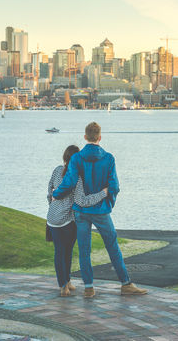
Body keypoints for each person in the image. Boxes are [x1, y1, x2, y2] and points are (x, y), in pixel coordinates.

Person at [52, 122, 147, 298]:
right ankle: (125, 283)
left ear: (85, 137)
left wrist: (55, 194)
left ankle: (89, 288)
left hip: (81, 212)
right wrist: (108, 204)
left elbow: (69, 182)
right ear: (100, 137)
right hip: (101, 211)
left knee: (84, 250)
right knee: (113, 247)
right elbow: (114, 186)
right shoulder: (109, 158)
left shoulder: (77, 158)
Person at [46, 145, 107, 297]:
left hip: (52, 219)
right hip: (66, 220)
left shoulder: (56, 170)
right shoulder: (77, 177)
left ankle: (66, 281)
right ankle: (63, 286)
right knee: (64, 252)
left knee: (61, 252)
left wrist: (53, 206)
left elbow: (49, 192)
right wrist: (103, 193)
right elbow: (82, 201)